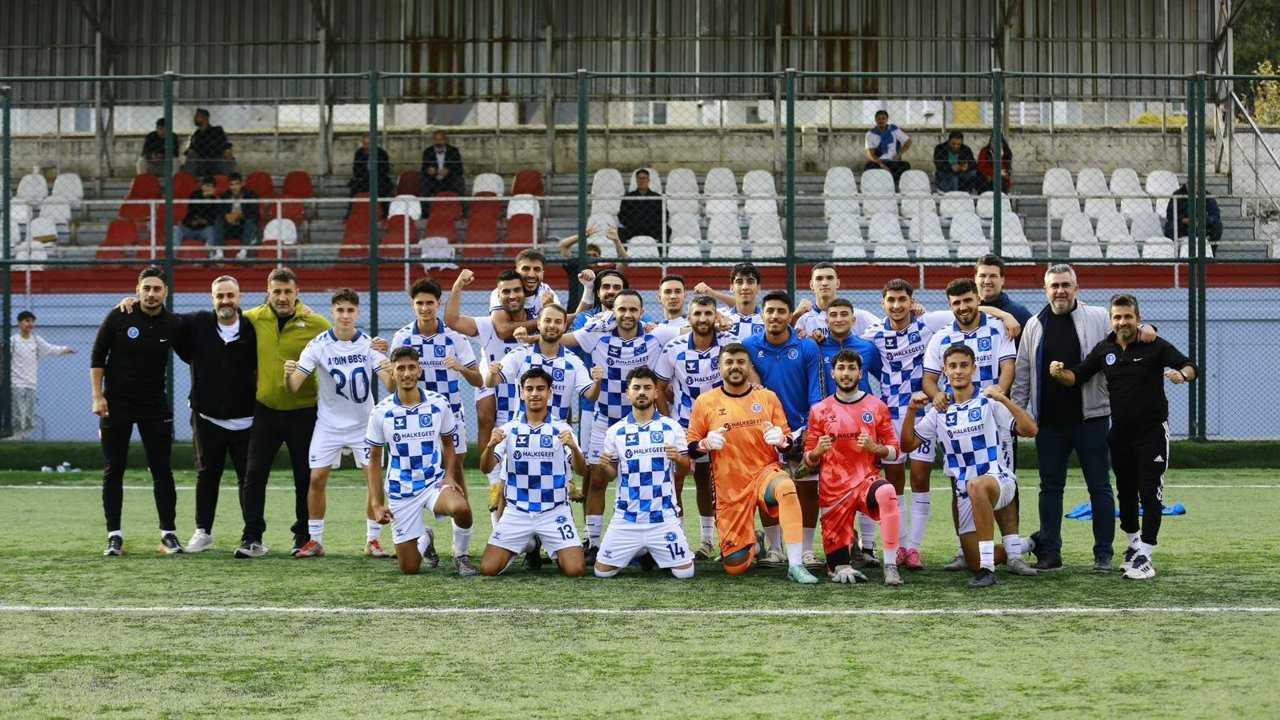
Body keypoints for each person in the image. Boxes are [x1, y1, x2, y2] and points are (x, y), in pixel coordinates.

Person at [1049, 293, 1197, 581]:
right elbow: (1077, 376)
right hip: (1120, 434)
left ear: (1138, 319)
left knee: (1150, 494)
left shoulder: (1154, 345)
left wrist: (1182, 375)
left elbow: (1190, 365)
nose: (1122, 322)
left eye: (1128, 316)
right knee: (1126, 493)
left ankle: (1147, 556)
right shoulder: (1105, 349)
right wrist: (1059, 373)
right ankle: (1133, 546)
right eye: (1117, 317)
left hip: (1152, 434)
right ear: (1111, 320)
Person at [1012, 265, 1147, 572]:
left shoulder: (1098, 316)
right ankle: (1051, 553)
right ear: (1045, 290)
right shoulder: (1034, 325)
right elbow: (1022, 374)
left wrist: (1147, 327)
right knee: (1050, 489)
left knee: (1100, 488)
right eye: (1054, 286)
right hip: (1049, 424)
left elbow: (1126, 328)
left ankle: (1103, 555)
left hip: (1092, 420)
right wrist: (1019, 414)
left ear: (1076, 288)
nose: (1060, 291)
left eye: (1065, 285)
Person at [902, 344, 1039, 588]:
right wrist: (912, 411)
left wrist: (1003, 398)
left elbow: (1031, 430)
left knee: (977, 484)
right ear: (944, 370)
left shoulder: (988, 401)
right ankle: (1029, 544)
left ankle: (987, 571)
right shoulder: (940, 410)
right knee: (972, 559)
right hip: (965, 491)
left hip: (998, 480)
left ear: (973, 368)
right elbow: (907, 445)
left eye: (964, 365)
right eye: (953, 366)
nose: (958, 371)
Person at [562, 290, 682, 561]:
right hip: (605, 421)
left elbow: (691, 331)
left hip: (644, 425)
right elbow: (557, 339)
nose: (627, 315)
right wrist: (529, 337)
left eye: (633, 310)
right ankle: (593, 542)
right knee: (597, 481)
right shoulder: (596, 335)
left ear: (642, 312)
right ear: (613, 312)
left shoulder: (657, 334)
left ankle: (654, 543)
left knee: (649, 480)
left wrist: (720, 322)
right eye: (622, 309)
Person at [686, 344, 819, 584]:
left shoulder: (767, 397)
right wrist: (705, 443)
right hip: (729, 486)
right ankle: (755, 543)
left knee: (786, 487)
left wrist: (781, 440)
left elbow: (788, 442)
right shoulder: (705, 401)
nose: (735, 367)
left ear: (749, 366)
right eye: (729, 362)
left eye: (740, 362)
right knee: (735, 567)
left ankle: (795, 565)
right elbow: (691, 447)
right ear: (719, 367)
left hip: (764, 473)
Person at [285, 289, 397, 563]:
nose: (345, 315)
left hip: (364, 425)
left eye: (350, 310)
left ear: (358, 313)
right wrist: (288, 375)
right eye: (340, 310)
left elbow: (390, 386)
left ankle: (373, 540)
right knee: (316, 478)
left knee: (374, 481)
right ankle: (315, 540)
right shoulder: (318, 345)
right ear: (332, 312)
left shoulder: (370, 345)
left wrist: (391, 370)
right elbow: (293, 387)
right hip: (329, 424)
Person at [921, 278, 1019, 571]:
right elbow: (929, 379)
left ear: (978, 299)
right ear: (950, 306)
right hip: (956, 419)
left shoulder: (998, 328)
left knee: (1001, 479)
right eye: (956, 303)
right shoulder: (941, 337)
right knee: (959, 483)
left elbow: (1008, 367)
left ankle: (1014, 553)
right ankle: (965, 551)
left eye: (967, 300)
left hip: (991, 418)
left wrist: (999, 396)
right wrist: (936, 396)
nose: (963, 307)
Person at [236, 268, 334, 559]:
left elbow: (343, 342)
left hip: (304, 412)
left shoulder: (316, 323)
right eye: (276, 291)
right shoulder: (253, 318)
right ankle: (252, 537)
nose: (282, 297)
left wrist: (374, 346)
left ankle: (303, 536)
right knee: (254, 475)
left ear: (297, 293)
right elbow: (222, 316)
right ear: (268, 292)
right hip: (265, 411)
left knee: (304, 477)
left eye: (287, 291)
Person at [90, 267, 189, 556]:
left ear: (165, 292)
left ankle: (168, 535)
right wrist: (97, 396)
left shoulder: (174, 324)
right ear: (137, 290)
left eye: (157, 289)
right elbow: (98, 356)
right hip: (116, 404)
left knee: (162, 470)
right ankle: (114, 537)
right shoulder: (119, 316)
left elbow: (196, 351)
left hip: (154, 406)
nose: (151, 294)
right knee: (114, 469)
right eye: (146, 288)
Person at [861, 280, 956, 570]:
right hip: (890, 416)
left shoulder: (928, 324)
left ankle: (914, 548)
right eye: (890, 300)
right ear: (883, 303)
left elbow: (970, 310)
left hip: (923, 413)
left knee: (920, 479)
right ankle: (900, 545)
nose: (896, 305)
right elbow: (845, 339)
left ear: (911, 301)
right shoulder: (873, 333)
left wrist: (1005, 316)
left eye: (902, 299)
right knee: (894, 483)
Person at [391, 277, 485, 562]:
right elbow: (392, 384)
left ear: (438, 303)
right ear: (412, 305)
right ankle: (422, 536)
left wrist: (461, 368)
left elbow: (479, 379)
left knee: (456, 477)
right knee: (412, 476)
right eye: (419, 303)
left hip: (450, 416)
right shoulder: (402, 337)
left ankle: (461, 550)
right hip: (413, 421)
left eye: (429, 303)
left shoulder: (455, 337)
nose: (425, 308)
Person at [366, 347, 476, 576]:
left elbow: (449, 444)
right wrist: (376, 503)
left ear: (419, 371)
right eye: (401, 368)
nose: (406, 373)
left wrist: (449, 476)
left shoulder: (439, 403)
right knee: (409, 568)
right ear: (392, 372)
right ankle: (425, 538)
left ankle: (461, 555)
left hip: (433, 482)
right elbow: (374, 461)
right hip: (401, 489)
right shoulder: (380, 412)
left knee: (462, 508)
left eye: (411, 367)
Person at [803, 349, 903, 586]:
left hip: (866, 481)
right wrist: (817, 452)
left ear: (860, 373)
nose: (846, 373)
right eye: (841, 368)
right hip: (833, 491)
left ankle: (890, 566)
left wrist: (875, 448)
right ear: (833, 373)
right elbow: (807, 460)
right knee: (839, 568)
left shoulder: (876, 406)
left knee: (887, 491)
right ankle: (843, 557)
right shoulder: (820, 410)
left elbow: (895, 450)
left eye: (851, 368)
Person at [741, 291, 825, 567]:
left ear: (790, 316)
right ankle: (775, 549)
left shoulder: (807, 346)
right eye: (770, 311)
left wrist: (812, 429)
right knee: (768, 488)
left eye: (781, 311)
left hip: (801, 427)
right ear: (762, 315)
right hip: (767, 428)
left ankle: (806, 549)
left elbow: (816, 391)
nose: (775, 316)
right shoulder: (748, 346)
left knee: (807, 488)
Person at [479, 368, 588, 578]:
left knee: (576, 570)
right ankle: (530, 544)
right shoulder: (509, 429)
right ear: (522, 393)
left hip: (554, 511)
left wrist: (574, 449)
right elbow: (485, 467)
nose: (535, 393)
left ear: (549, 393)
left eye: (540, 389)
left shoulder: (562, 429)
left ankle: (553, 546)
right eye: (529, 389)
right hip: (517, 512)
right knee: (488, 569)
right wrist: (490, 446)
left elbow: (582, 471)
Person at [443, 269, 531, 525]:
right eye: (506, 291)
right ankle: (493, 481)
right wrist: (458, 285)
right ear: (498, 295)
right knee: (484, 416)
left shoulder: (541, 321)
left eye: (516, 290)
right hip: (497, 388)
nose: (512, 296)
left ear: (525, 293)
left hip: (527, 393)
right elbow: (452, 320)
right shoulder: (488, 325)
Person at [177, 276, 257, 553]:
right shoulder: (196, 323)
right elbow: (163, 320)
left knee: (248, 479)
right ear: (212, 299)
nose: (225, 301)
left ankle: (252, 536)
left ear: (240, 297)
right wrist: (132, 302)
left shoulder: (254, 326)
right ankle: (203, 532)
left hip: (247, 419)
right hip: (207, 418)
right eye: (220, 296)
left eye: (230, 295)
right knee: (207, 476)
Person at [654, 295, 735, 558]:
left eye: (708, 313)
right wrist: (668, 423)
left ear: (715, 317)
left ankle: (710, 541)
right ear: (688, 318)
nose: (702, 318)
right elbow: (659, 388)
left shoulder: (729, 344)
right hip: (684, 427)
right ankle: (677, 541)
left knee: (716, 483)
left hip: (722, 426)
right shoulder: (674, 347)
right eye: (697, 313)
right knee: (676, 482)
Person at [594, 367, 694, 579]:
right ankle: (642, 549)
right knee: (601, 573)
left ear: (656, 393)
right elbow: (611, 476)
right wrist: (605, 466)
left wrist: (679, 458)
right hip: (627, 518)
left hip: (663, 516)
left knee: (685, 573)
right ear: (628, 393)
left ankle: (649, 548)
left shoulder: (671, 427)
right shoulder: (616, 431)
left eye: (647, 387)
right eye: (636, 387)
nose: (641, 392)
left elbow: (685, 469)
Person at [9, 310, 75, 441]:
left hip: (31, 383)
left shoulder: (36, 340)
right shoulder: (13, 341)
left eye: (32, 321)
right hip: (16, 383)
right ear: (19, 323)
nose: (30, 324)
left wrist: (64, 349)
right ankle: (16, 437)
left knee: (29, 413)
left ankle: (26, 437)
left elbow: (50, 348)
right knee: (18, 412)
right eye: (27, 321)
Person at [814, 298, 881, 397]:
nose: (839, 319)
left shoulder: (867, 348)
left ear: (853, 320)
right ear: (827, 322)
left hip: (863, 406)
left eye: (844, 314)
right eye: (833, 315)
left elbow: (884, 378)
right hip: (830, 406)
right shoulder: (817, 349)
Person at [793, 263, 879, 339]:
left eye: (830, 278)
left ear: (837, 283)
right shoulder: (802, 319)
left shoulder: (857, 316)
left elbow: (883, 328)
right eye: (819, 279)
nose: (824, 283)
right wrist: (794, 317)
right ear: (811, 285)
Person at [556, 229, 627, 312]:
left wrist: (616, 240)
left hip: (596, 315)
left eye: (594, 255)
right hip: (574, 312)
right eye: (588, 255)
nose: (591, 257)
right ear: (583, 257)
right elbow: (563, 245)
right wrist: (583, 235)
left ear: (599, 258)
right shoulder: (575, 269)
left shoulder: (603, 274)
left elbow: (624, 262)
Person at [693, 262, 767, 340]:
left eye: (750, 282)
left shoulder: (768, 319)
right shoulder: (718, 317)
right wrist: (711, 328)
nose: (745, 287)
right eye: (739, 282)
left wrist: (713, 293)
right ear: (732, 288)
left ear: (758, 288)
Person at [974, 254, 1031, 344]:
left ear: (1002, 280)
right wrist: (1003, 315)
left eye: (993, 276)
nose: (987, 281)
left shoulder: (1019, 313)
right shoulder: (964, 309)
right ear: (975, 278)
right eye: (982, 276)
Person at [1164, 183, 1223, 255]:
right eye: (1191, 183)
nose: (1194, 186)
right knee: (1170, 226)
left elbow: (1215, 213)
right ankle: (1172, 252)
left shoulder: (1205, 194)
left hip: (1199, 227)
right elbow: (1170, 214)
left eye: (1196, 184)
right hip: (1182, 227)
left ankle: (1211, 252)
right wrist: (1184, 220)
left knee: (1218, 226)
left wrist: (1204, 221)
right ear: (1186, 183)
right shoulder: (1177, 194)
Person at [217, 173, 260, 258]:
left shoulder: (250, 195)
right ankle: (219, 252)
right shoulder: (225, 195)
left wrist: (239, 216)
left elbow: (255, 214)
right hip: (229, 227)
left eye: (237, 184)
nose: (234, 187)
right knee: (218, 221)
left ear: (242, 184)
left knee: (250, 221)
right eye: (231, 185)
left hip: (243, 227)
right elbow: (219, 211)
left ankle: (243, 251)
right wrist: (226, 216)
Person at [617, 169, 665, 243]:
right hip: (634, 228)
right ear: (636, 181)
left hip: (652, 229)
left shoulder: (657, 197)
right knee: (618, 232)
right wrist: (632, 223)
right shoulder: (628, 197)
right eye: (639, 178)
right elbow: (622, 215)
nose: (642, 181)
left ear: (648, 180)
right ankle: (624, 250)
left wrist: (652, 223)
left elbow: (664, 214)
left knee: (667, 230)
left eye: (644, 178)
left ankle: (660, 249)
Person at [863, 110, 912, 184]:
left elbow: (908, 142)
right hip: (878, 162)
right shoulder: (870, 134)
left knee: (905, 165)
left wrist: (898, 154)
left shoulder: (894, 130)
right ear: (875, 120)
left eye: (883, 118)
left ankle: (890, 182)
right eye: (878, 119)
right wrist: (882, 165)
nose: (881, 121)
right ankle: (887, 181)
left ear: (887, 120)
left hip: (892, 161)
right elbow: (870, 155)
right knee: (869, 166)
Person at [177, 176, 224, 254]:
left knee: (212, 230)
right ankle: (173, 256)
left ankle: (210, 255)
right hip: (189, 228)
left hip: (204, 230)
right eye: (205, 186)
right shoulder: (195, 195)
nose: (207, 189)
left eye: (209, 186)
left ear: (214, 189)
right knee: (176, 229)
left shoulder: (215, 200)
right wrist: (204, 197)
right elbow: (193, 211)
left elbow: (213, 218)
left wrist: (202, 221)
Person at [183, 108, 235, 176]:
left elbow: (225, 143)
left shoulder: (216, 130)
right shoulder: (196, 134)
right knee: (190, 158)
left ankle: (228, 178)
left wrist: (227, 150)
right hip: (201, 161)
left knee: (226, 158)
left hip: (216, 159)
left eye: (197, 116)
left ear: (205, 118)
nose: (194, 118)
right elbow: (191, 149)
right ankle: (188, 178)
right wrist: (190, 151)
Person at [420, 131, 465, 198]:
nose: (438, 142)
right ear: (433, 141)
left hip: (449, 179)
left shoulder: (453, 151)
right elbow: (423, 169)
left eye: (441, 140)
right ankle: (425, 204)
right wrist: (428, 170)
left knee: (459, 181)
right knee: (424, 182)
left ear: (446, 140)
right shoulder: (427, 151)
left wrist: (449, 171)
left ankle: (461, 204)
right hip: (433, 179)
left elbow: (460, 169)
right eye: (436, 140)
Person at [349, 132, 393, 199]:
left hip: (379, 180)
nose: (366, 147)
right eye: (364, 144)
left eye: (368, 144)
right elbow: (356, 170)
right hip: (364, 181)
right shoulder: (359, 153)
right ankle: (354, 205)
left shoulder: (382, 153)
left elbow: (384, 170)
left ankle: (382, 205)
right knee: (354, 188)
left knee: (383, 187)